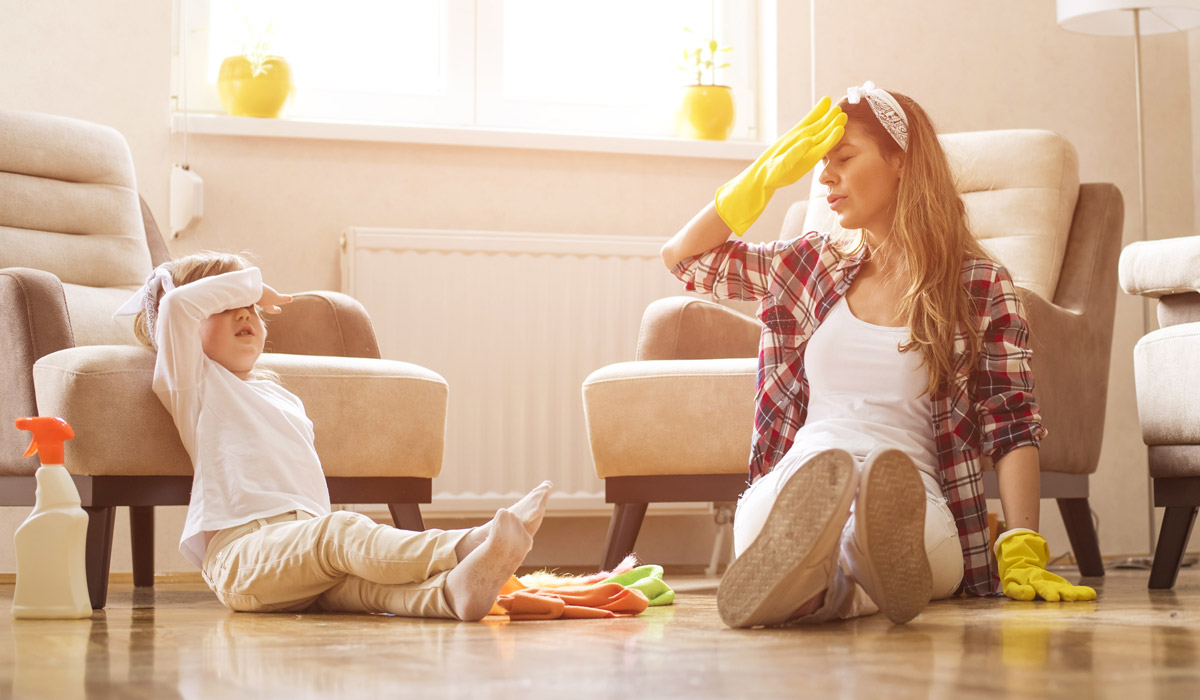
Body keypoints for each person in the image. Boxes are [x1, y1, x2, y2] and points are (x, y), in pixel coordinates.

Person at [660, 82, 1096, 629]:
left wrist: (1022, 540)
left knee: (898, 533)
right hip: (800, 478)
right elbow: (684, 259)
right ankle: (850, 584)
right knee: (795, 515)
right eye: (820, 164)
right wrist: (763, 177)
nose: (824, 177)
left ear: (900, 161)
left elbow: (1010, 421)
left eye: (843, 158)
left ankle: (816, 587)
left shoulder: (979, 285)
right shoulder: (809, 264)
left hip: (910, 494)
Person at [114, 252, 552, 621]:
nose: (245, 311)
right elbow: (175, 309)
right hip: (243, 557)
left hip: (300, 552)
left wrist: (240, 292)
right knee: (340, 532)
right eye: (225, 303)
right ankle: (464, 545)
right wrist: (249, 284)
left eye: (251, 308)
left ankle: (453, 594)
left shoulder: (280, 396)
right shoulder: (194, 386)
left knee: (367, 587)